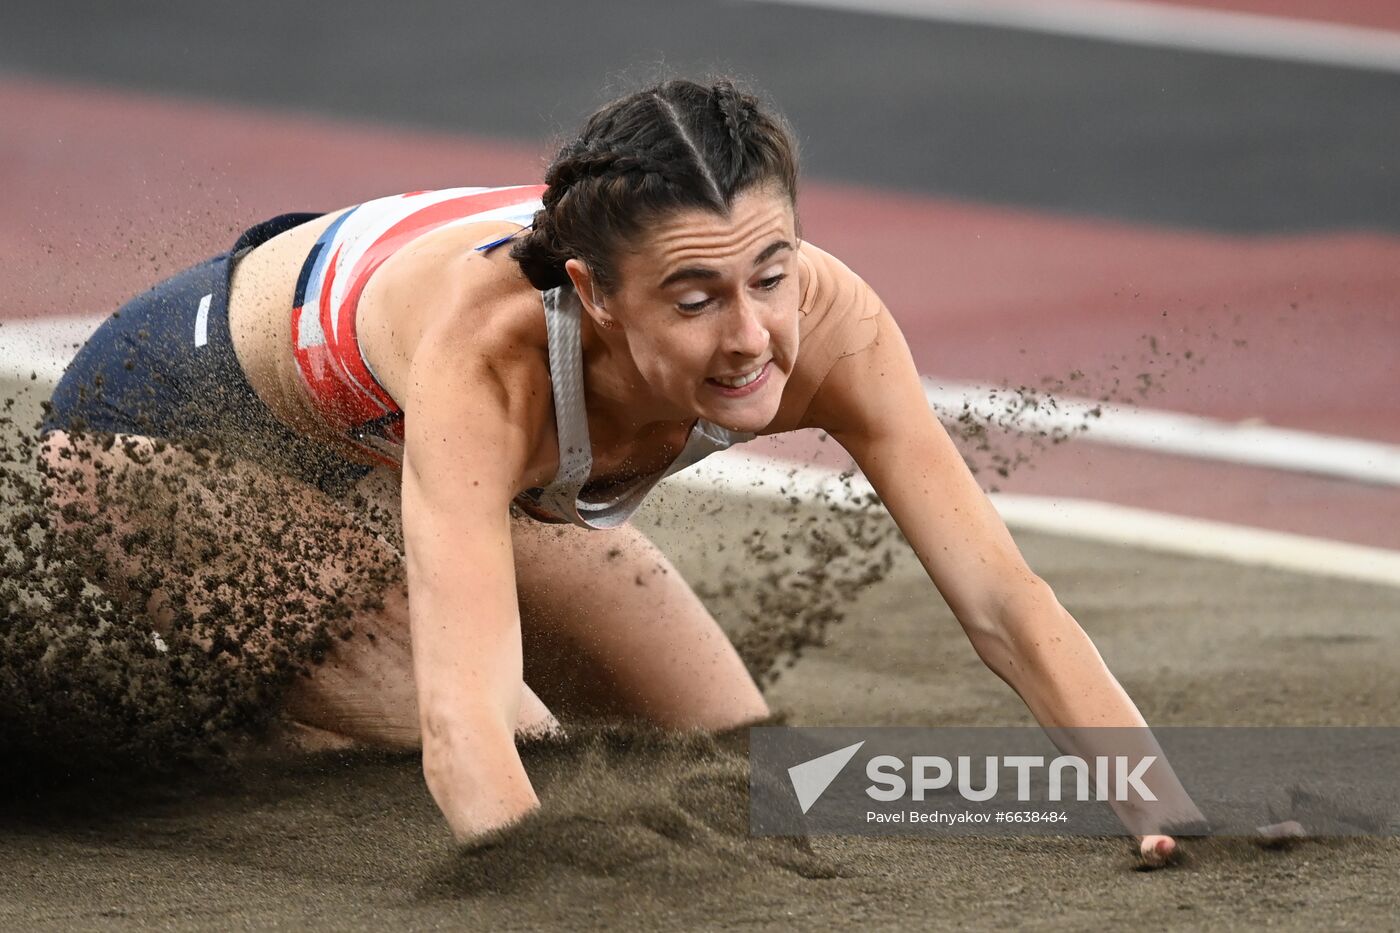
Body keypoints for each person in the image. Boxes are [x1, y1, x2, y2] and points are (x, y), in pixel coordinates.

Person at [40, 78, 1200, 863]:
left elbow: (1000, 595)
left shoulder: (829, 325)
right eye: (693, 300)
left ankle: (303, 695)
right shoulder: (488, 359)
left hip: (395, 448)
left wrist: (1146, 791)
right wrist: (536, 886)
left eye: (770, 273)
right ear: (591, 295)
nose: (749, 337)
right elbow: (471, 724)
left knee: (739, 759)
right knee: (551, 773)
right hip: (173, 445)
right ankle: (232, 710)